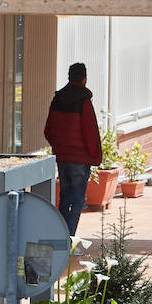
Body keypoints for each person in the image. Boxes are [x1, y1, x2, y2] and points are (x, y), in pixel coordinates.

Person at [43, 62, 102, 235]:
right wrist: (94, 155)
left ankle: (61, 235)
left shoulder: (57, 99)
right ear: (84, 79)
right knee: (77, 201)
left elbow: (48, 130)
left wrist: (58, 146)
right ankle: (69, 238)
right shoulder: (84, 102)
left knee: (65, 198)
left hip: (62, 157)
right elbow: (90, 132)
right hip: (80, 159)